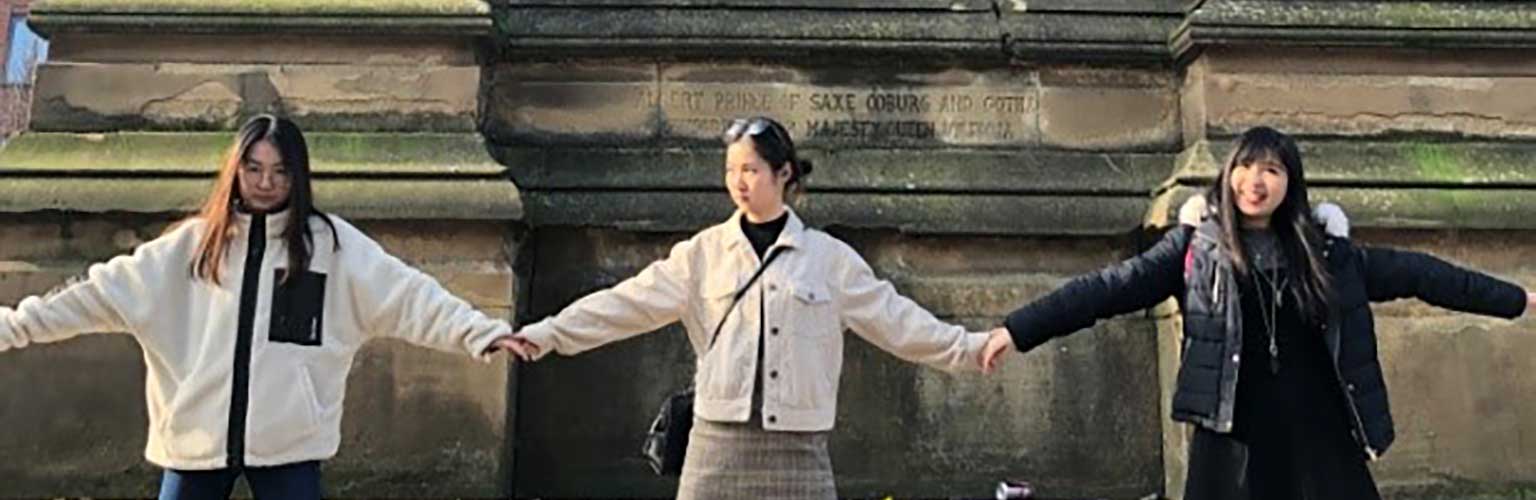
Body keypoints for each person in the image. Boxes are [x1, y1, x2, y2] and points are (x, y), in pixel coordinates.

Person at [979, 126, 1536, 500]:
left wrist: (1517, 298)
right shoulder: (1195, 250)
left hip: (1321, 445)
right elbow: (1106, 288)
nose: (1256, 180)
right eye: (1246, 166)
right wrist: (1018, 329)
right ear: (1228, 175)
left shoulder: (1330, 254)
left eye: (1272, 169)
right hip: (1233, 443)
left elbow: (1425, 275)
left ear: (1289, 184)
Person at [0, 115, 521, 500]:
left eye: (279, 170)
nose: (266, 182)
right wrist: (13, 327)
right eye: (253, 168)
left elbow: (409, 296)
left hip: (289, 447)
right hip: (195, 443)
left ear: (298, 176)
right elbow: (94, 294)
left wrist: (479, 333)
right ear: (235, 170)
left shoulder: (332, 248)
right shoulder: (189, 248)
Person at [498, 116, 992, 499]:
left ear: (784, 174)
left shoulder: (829, 260)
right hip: (716, 445)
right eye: (731, 170)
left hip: (799, 450)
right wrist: (549, 333)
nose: (739, 181)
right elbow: (627, 302)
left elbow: (897, 320)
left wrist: (969, 348)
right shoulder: (703, 254)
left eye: (751, 169)